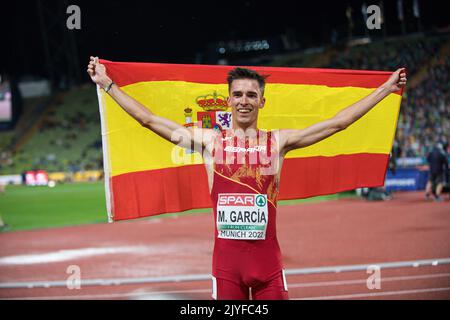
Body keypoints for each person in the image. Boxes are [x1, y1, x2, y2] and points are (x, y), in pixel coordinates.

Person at [87, 56, 407, 300]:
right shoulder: (210, 143)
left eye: (251, 95)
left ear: (262, 101)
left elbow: (338, 123)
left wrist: (385, 89)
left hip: (267, 267)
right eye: (237, 94)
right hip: (227, 270)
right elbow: (148, 120)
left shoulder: (278, 143)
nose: (244, 100)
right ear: (228, 100)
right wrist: (107, 84)